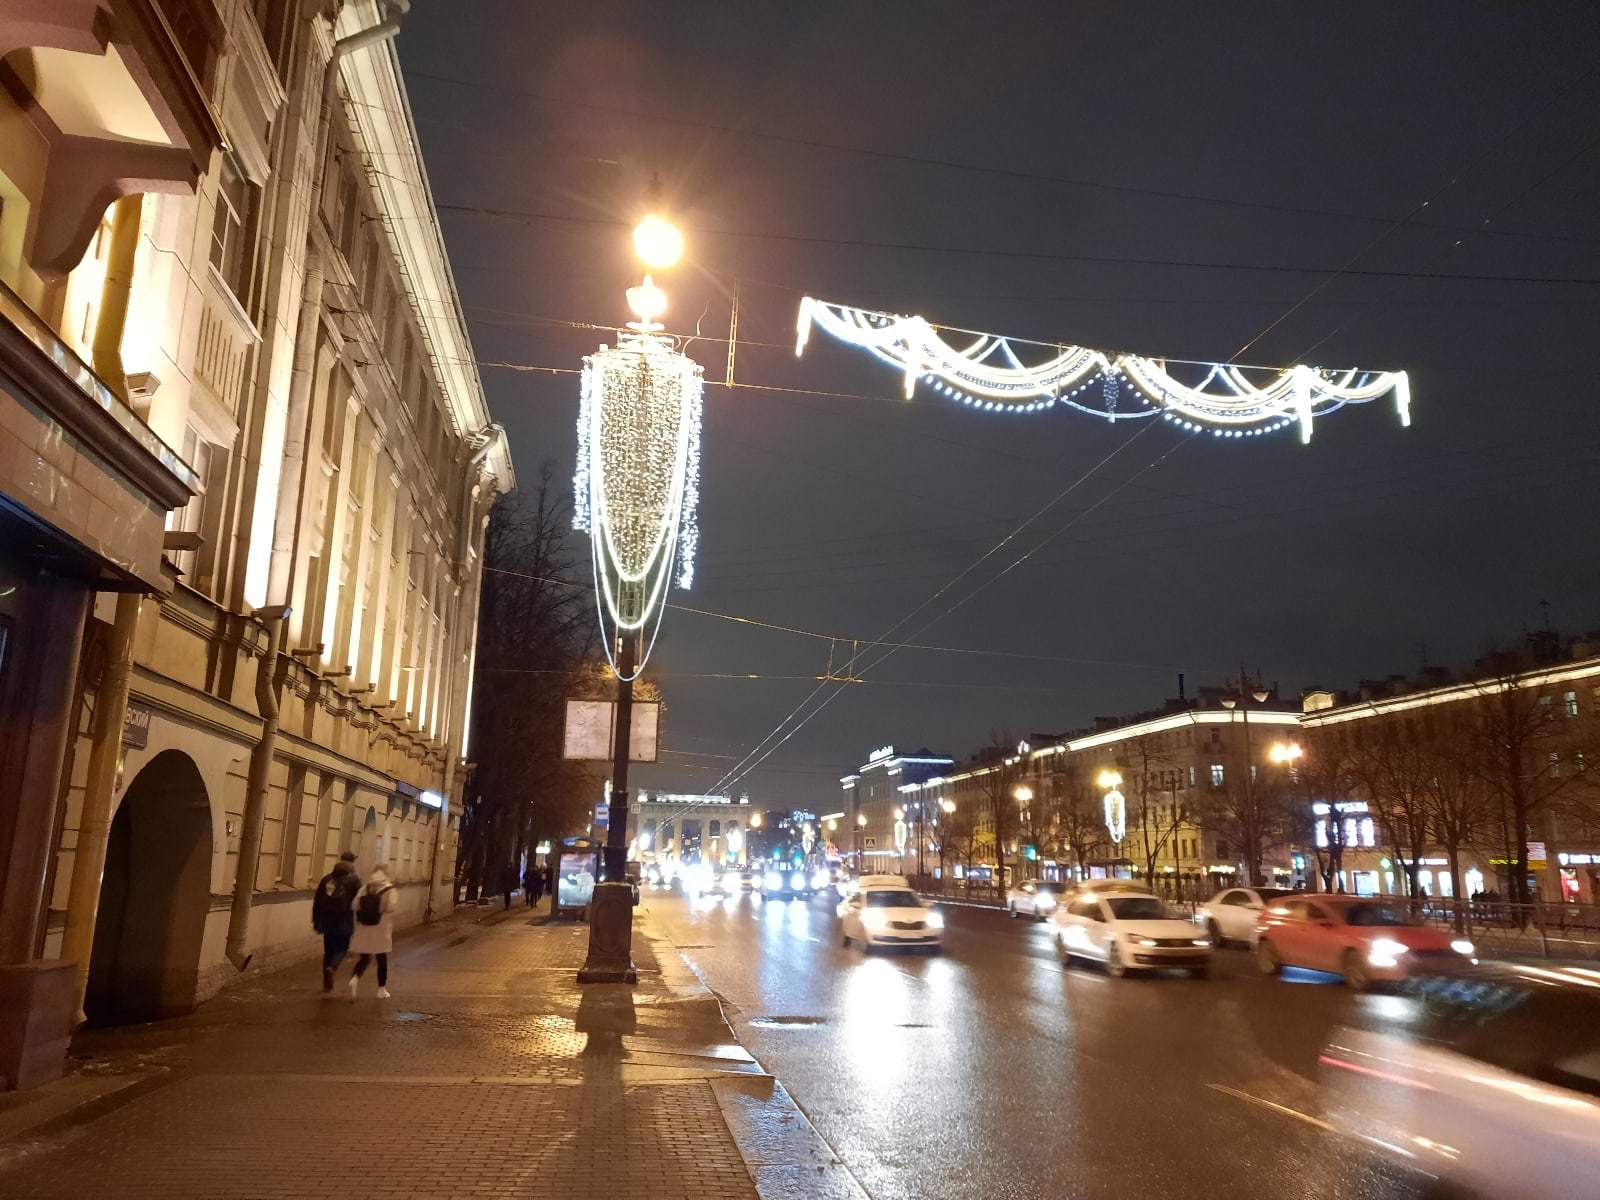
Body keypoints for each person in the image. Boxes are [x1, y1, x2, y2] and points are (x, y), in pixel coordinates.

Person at [311, 851, 361, 993]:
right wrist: (361, 922)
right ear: (352, 863)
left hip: (327, 920)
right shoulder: (354, 880)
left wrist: (316, 920)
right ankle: (332, 967)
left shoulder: (327, 879)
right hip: (344, 920)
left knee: (328, 950)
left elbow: (318, 901)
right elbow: (359, 902)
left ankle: (327, 982)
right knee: (342, 948)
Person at [349, 866, 397, 999]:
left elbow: (354, 905)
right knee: (382, 959)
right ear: (386, 874)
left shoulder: (366, 887)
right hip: (381, 928)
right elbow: (391, 907)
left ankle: (355, 978)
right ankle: (381, 989)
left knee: (364, 958)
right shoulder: (389, 888)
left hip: (365, 928)